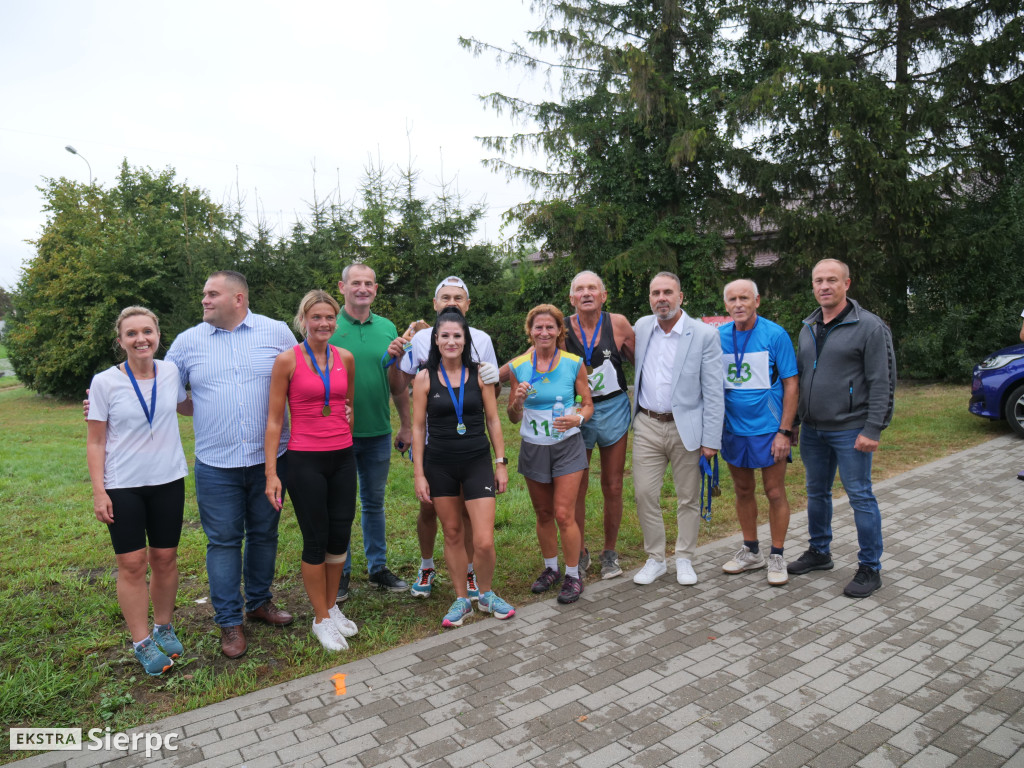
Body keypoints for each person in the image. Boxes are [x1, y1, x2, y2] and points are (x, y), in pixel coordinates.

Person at [165, 271, 297, 658]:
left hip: (270, 461)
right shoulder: (188, 342)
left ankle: (258, 602)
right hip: (216, 463)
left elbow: (304, 379)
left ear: (238, 298)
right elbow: (162, 388)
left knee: (264, 534)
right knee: (222, 543)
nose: (203, 300)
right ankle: (229, 622)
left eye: (212, 294)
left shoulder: (276, 333)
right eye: (204, 294)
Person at [86, 307, 191, 675]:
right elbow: (96, 441)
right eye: (131, 334)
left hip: (167, 480)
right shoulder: (104, 382)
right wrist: (100, 492)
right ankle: (142, 642)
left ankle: (163, 625)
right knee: (132, 564)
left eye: (147, 331)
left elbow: (186, 406)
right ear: (120, 341)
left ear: (158, 335)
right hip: (123, 485)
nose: (141, 339)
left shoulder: (172, 372)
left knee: (165, 559)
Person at [789, 258, 896, 598]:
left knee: (860, 496)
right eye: (818, 280)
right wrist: (792, 423)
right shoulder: (807, 326)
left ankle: (870, 568)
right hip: (813, 430)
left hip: (851, 429)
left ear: (847, 284)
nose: (824, 286)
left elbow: (883, 382)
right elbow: (800, 378)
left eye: (832, 280)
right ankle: (820, 552)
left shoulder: (870, 327)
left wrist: (873, 429)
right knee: (816, 493)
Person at [390, 276, 500, 600]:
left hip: (468, 444)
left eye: (458, 297)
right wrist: (407, 426)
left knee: (466, 509)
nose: (452, 302)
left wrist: (494, 376)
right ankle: (427, 565)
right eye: (445, 297)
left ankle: (468, 573)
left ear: (467, 305)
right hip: (432, 444)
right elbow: (400, 385)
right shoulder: (420, 338)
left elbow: (489, 384)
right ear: (435, 304)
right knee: (428, 509)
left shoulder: (481, 338)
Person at [265, 291, 359, 651]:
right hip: (304, 460)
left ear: (337, 321)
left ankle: (331, 606)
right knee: (316, 539)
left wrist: (347, 420)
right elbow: (275, 421)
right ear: (302, 320)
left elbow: (348, 405)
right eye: (315, 317)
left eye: (329, 318)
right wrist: (272, 473)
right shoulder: (287, 361)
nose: (323, 324)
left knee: (340, 537)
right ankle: (320, 619)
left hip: (342, 457)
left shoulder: (345, 358)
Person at [411, 308, 515, 627]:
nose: (451, 341)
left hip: (476, 461)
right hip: (439, 464)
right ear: (436, 339)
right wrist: (419, 474)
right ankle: (461, 600)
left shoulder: (480, 373)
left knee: (483, 539)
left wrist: (500, 463)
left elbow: (494, 420)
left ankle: (485, 594)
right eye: (445, 335)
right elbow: (417, 428)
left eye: (457, 335)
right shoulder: (424, 376)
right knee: (453, 532)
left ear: (465, 339)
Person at [631, 272, 724, 586]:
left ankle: (685, 557)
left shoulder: (703, 335)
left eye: (668, 292)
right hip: (646, 423)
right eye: (655, 292)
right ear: (650, 298)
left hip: (687, 427)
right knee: (644, 494)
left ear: (680, 297)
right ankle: (656, 558)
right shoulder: (642, 327)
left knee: (688, 497)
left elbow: (713, 391)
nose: (661, 298)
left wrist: (711, 440)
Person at [329, 264, 410, 599]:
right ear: (342, 287)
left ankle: (378, 569)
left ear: (375, 289)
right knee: (341, 505)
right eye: (355, 283)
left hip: (377, 430)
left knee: (374, 503)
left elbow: (396, 384)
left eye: (368, 284)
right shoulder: (328, 326)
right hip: (337, 434)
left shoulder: (388, 328)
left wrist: (405, 423)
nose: (362, 288)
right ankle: (341, 573)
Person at [508, 304, 594, 604]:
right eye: (538, 327)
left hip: (567, 446)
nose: (544, 332)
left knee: (563, 513)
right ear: (530, 331)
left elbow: (588, 404)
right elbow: (512, 416)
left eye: (550, 327)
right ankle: (550, 569)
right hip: (533, 447)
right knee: (543, 513)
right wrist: (517, 402)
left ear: (559, 331)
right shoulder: (519, 365)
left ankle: (573, 574)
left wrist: (578, 419)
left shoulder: (573, 363)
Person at [717, 279, 798, 586]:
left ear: (757, 301)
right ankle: (752, 551)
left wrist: (785, 431)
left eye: (744, 298)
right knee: (743, 491)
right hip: (734, 429)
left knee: (774, 491)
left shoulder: (775, 334)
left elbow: (791, 383)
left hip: (769, 429)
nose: (738, 304)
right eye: (732, 299)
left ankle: (777, 554)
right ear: (726, 305)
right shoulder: (719, 337)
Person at [564, 270, 635, 580]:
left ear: (603, 296)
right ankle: (579, 552)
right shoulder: (561, 327)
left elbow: (645, 359)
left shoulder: (617, 323)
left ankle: (610, 552)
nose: (587, 293)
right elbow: (529, 357)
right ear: (572, 298)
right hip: (577, 411)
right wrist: (490, 375)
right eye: (580, 289)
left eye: (593, 288)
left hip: (613, 408)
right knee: (576, 486)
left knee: (613, 484)